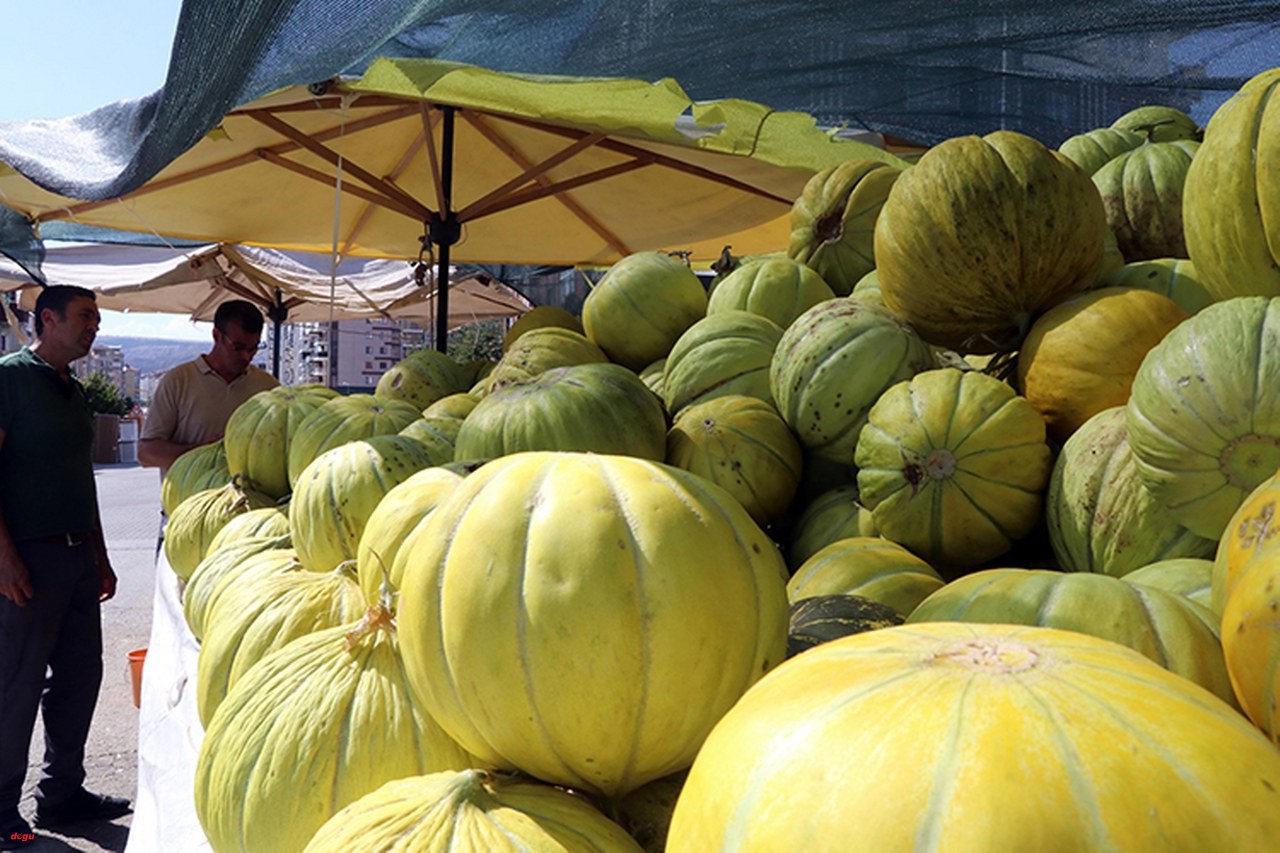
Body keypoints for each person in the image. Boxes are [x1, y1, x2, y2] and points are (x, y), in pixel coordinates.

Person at [0, 285, 132, 846]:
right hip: (27, 557)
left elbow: (83, 480)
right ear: (46, 319)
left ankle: (62, 794)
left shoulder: (73, 391)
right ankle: (2, 809)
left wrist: (100, 556)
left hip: (79, 558)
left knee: (80, 678)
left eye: (97, 318)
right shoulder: (9, 377)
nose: (94, 327)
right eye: (85, 317)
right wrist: (3, 557)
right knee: (16, 683)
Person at [138, 299, 279, 479]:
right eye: (238, 347)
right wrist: (203, 451)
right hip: (188, 505)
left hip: (251, 505)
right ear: (216, 335)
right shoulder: (178, 381)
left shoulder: (269, 388)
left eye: (254, 348)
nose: (246, 357)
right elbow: (146, 454)